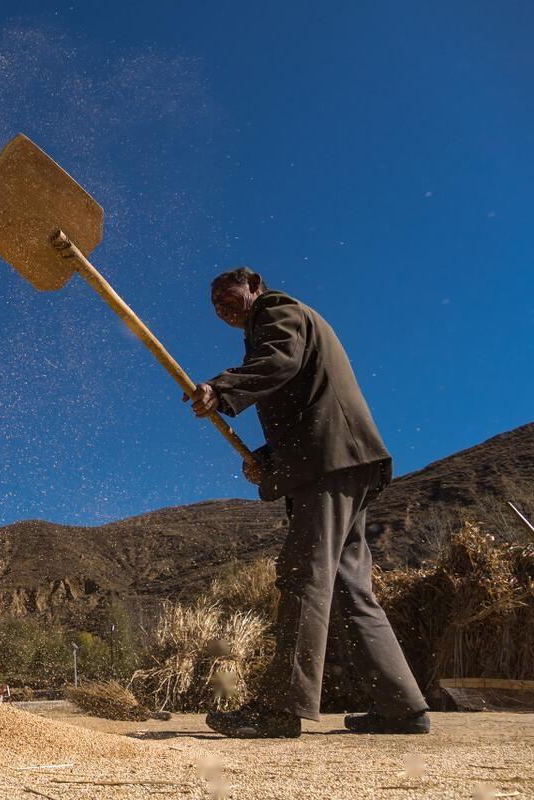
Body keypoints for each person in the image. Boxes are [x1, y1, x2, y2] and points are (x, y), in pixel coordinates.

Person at [187, 267, 429, 738]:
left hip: (329, 465)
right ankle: (401, 707)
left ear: (254, 283)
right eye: (212, 301)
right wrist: (267, 459)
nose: (220, 304)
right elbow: (307, 400)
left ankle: (280, 709)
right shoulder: (283, 324)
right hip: (343, 463)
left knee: (303, 575)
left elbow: (281, 361)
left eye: (226, 292)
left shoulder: (277, 311)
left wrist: (222, 390)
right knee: (349, 588)